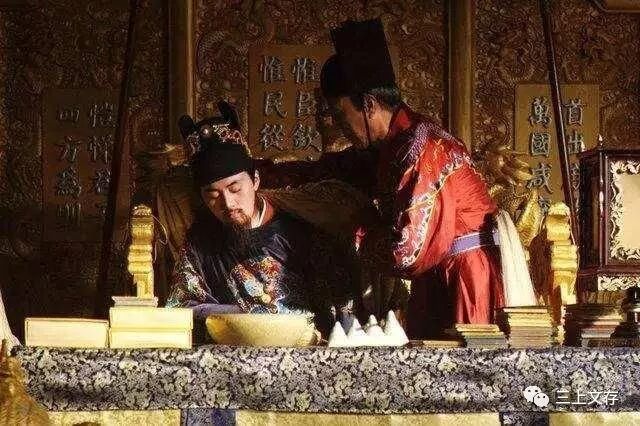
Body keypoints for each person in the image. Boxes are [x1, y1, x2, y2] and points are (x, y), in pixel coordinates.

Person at [259, 19, 536, 338]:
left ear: (368, 105)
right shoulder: (390, 146)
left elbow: (407, 252)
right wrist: (256, 174)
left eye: (340, 115)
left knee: (467, 368)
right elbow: (330, 171)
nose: (338, 126)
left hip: (466, 278)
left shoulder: (422, 149)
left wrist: (355, 226)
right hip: (437, 277)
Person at [165, 108, 358, 340]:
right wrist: (242, 318)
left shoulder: (298, 231)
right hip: (233, 352)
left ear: (255, 180)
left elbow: (340, 308)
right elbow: (180, 308)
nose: (228, 203)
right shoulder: (200, 243)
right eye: (213, 195)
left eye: (235, 188)